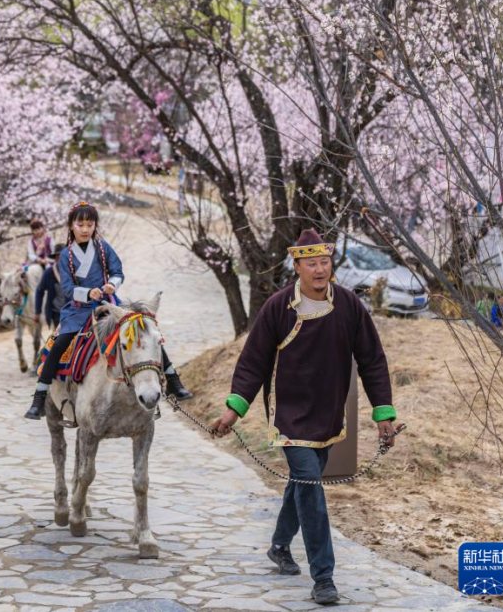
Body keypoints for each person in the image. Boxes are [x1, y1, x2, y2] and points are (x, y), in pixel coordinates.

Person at [211, 228, 398, 606]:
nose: (318, 269)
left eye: (324, 261)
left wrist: (383, 414)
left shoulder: (348, 306)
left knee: (301, 484)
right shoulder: (278, 307)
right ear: (296, 266)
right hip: (289, 413)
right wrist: (234, 411)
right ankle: (324, 577)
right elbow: (253, 363)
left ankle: (280, 544)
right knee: (310, 485)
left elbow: (372, 360)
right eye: (310, 263)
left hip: (329, 412)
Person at [24, 201, 192, 420]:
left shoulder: (103, 248)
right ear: (71, 226)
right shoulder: (66, 255)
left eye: (89, 224)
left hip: (110, 305)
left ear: (95, 225)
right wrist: (87, 293)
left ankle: (173, 381)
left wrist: (112, 284)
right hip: (78, 310)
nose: (85, 229)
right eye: (80, 224)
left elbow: (117, 271)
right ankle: (39, 398)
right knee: (59, 345)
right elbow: (67, 288)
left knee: (145, 331)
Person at [34, 242, 66, 330]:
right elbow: (39, 291)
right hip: (57, 313)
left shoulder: (75, 271)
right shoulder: (48, 273)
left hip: (74, 312)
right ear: (56, 258)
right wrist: (37, 312)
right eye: (59, 256)